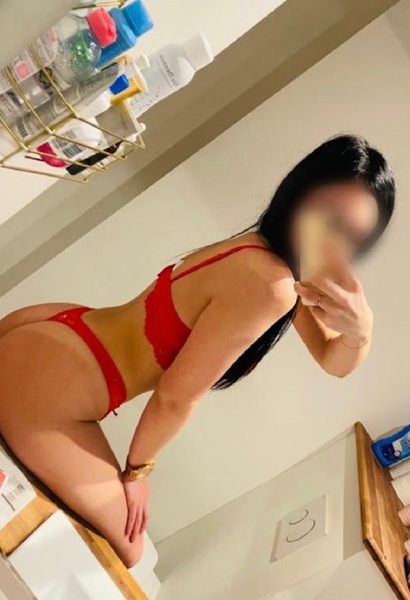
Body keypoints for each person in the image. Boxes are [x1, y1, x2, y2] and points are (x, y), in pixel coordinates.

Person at [0, 135, 395, 567]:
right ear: (301, 192)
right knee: (132, 551)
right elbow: (176, 396)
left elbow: (333, 359)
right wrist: (137, 472)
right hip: (54, 379)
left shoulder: (264, 250)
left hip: (58, 328)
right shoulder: (272, 284)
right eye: (330, 219)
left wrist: (362, 330)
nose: (334, 245)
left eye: (353, 239)